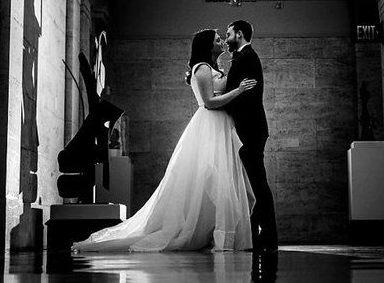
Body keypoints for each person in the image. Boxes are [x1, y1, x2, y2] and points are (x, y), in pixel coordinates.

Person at [73, 28, 256, 252]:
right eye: (218, 40)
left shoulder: (213, 68)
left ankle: (217, 234)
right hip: (210, 125)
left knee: (223, 182)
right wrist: (238, 91)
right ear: (208, 45)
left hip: (221, 126)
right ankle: (218, 236)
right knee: (214, 179)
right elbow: (209, 102)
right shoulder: (202, 68)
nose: (222, 42)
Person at [224, 20, 278, 251]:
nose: (226, 39)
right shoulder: (244, 56)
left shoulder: (246, 57)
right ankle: (258, 234)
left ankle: (267, 237)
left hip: (250, 129)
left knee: (257, 183)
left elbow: (245, 97)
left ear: (239, 34)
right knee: (254, 183)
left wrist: (217, 104)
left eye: (228, 34)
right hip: (250, 128)